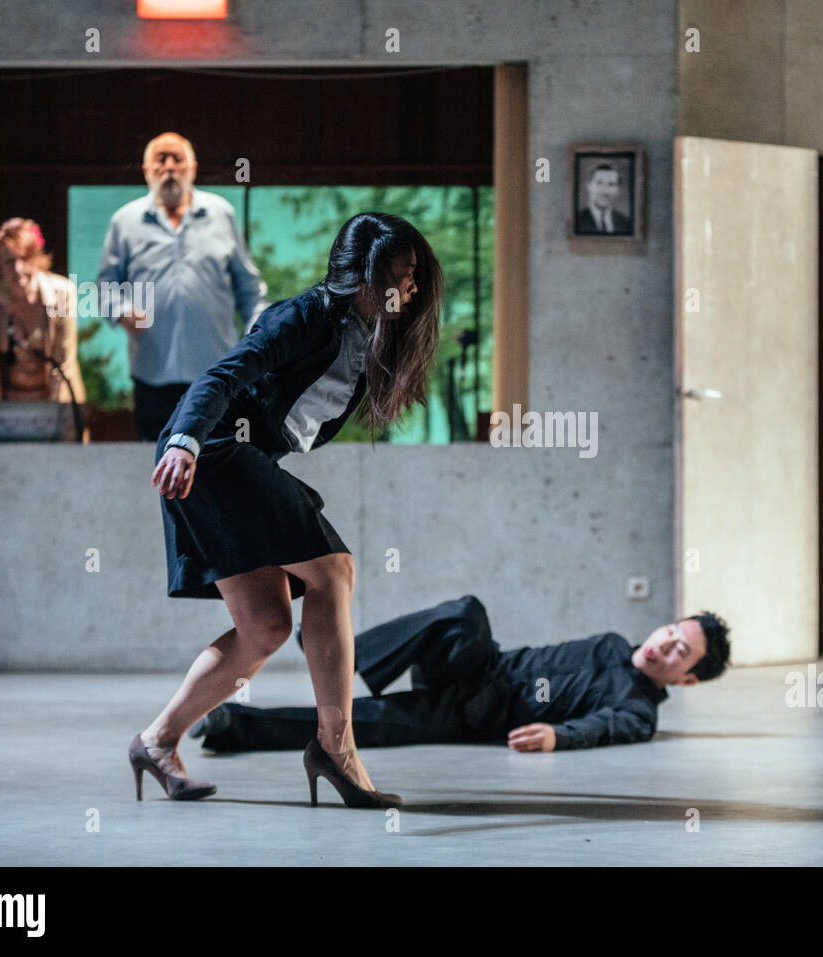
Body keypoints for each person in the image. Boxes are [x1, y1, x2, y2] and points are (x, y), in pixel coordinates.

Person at [129, 212, 443, 810]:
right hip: (213, 450)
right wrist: (184, 441)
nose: (415, 287)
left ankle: (157, 740)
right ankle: (335, 746)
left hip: (232, 459)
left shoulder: (365, 334)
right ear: (365, 275)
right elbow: (221, 375)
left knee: (266, 627)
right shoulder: (306, 315)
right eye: (404, 274)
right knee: (335, 570)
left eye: (416, 275)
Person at [188, 595, 732, 754]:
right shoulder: (614, 643)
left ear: (685, 679)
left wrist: (555, 736)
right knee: (465, 612)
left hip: (477, 715)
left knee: (365, 723)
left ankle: (230, 726)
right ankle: (335, 653)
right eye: (670, 631)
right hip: (482, 669)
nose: (665, 643)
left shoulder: (638, 711)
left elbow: (604, 727)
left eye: (680, 651)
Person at [98, 131, 267, 440]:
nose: (170, 167)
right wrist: (121, 310)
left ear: (193, 168)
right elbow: (106, 284)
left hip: (218, 371)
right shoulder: (125, 221)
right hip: (152, 371)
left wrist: (256, 338)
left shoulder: (220, 214)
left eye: (178, 159)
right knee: (156, 465)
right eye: (160, 160)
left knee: (218, 459)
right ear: (147, 171)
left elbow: (250, 287)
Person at [0, 218, 88, 432]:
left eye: (24, 259)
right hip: (3, 413)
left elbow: (64, 362)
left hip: (56, 408)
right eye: (9, 262)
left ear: (36, 258)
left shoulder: (62, 293)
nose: (18, 269)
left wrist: (51, 424)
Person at [574, 163, 631, 235]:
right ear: (589, 186)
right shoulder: (576, 221)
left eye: (611, 184)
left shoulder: (626, 223)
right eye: (599, 183)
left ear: (618, 190)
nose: (605, 191)